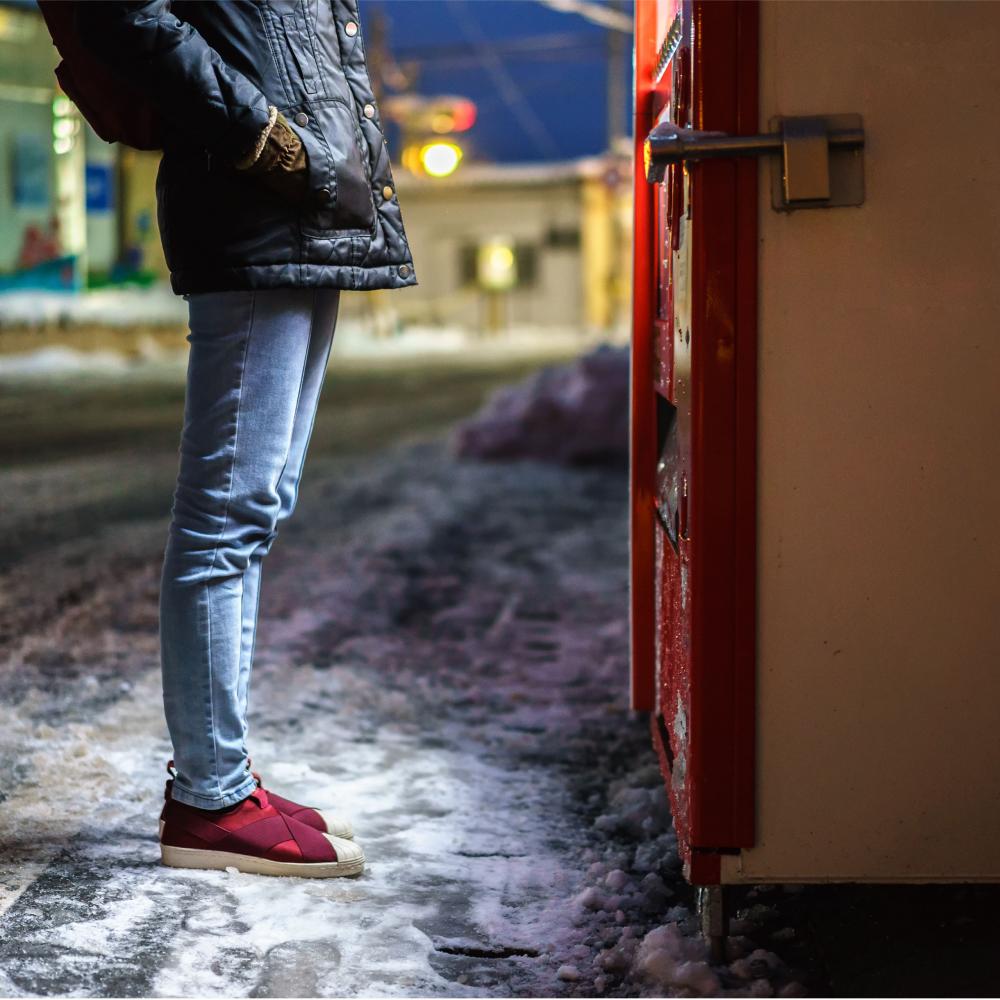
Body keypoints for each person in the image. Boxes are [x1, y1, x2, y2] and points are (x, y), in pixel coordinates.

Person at [76, 0, 417, 878]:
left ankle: (224, 779)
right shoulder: (262, 161)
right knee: (224, 520)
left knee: (254, 511)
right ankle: (210, 799)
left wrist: (321, 166)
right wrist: (268, 140)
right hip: (259, 203)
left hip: (308, 209)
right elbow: (125, 14)